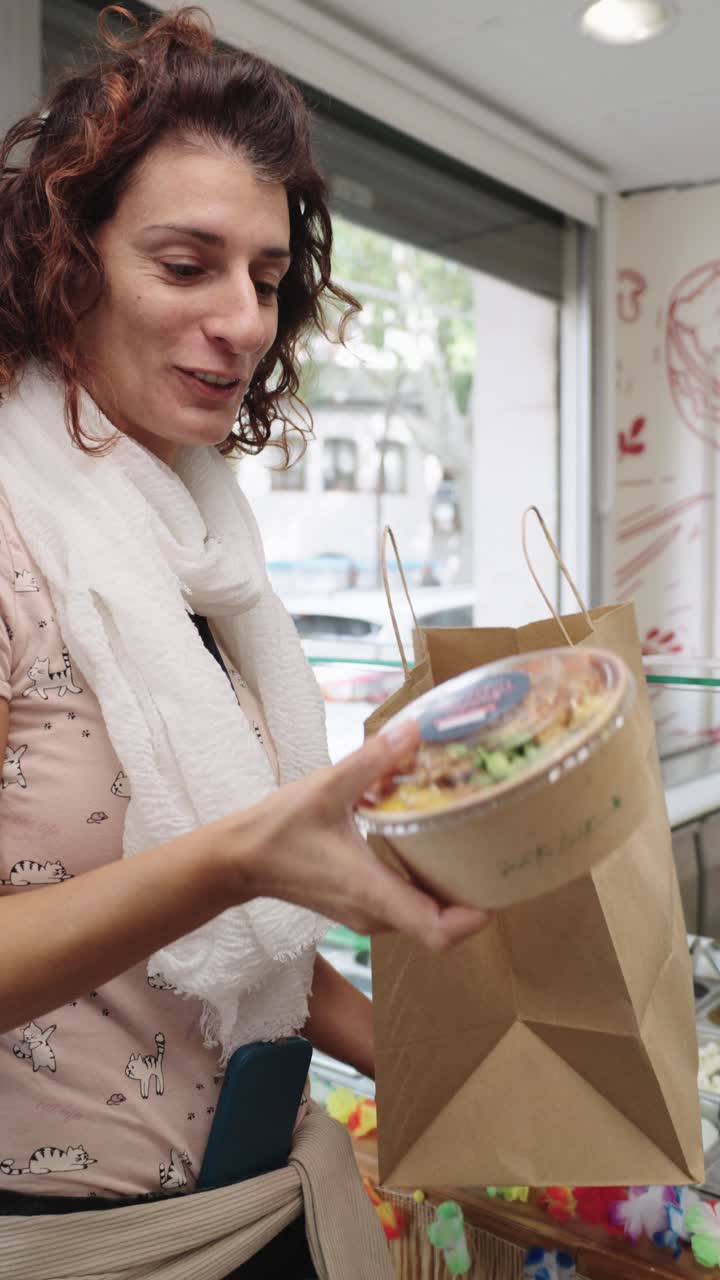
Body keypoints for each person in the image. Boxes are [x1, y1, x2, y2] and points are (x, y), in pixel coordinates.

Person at [0, 8, 492, 1278]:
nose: (246, 321)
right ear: (69, 257)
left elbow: (226, 965)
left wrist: (456, 1062)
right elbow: (219, 879)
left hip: (268, 1204)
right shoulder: (14, 539)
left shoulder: (204, 556)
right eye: (186, 264)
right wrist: (240, 858)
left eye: (267, 278)